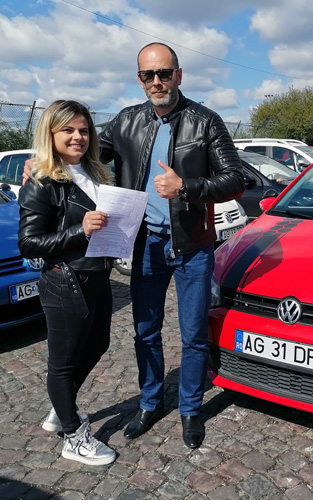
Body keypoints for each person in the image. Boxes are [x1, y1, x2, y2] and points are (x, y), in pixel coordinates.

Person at [98, 42, 244, 448]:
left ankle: (191, 409)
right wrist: (48, 161)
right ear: (139, 79)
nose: (157, 81)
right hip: (145, 243)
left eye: (164, 73)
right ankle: (150, 403)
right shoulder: (125, 121)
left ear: (179, 75)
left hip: (192, 247)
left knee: (194, 334)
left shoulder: (205, 121)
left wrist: (187, 187)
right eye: (149, 75)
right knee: (145, 331)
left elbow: (235, 180)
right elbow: (85, 153)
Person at [18, 100, 116, 466]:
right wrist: (80, 230)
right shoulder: (41, 181)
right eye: (68, 130)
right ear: (51, 133)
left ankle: (62, 409)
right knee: (62, 363)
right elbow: (29, 243)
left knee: (99, 344)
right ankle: (73, 436)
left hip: (98, 276)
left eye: (84, 130)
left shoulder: (97, 173)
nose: (78, 137)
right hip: (65, 281)